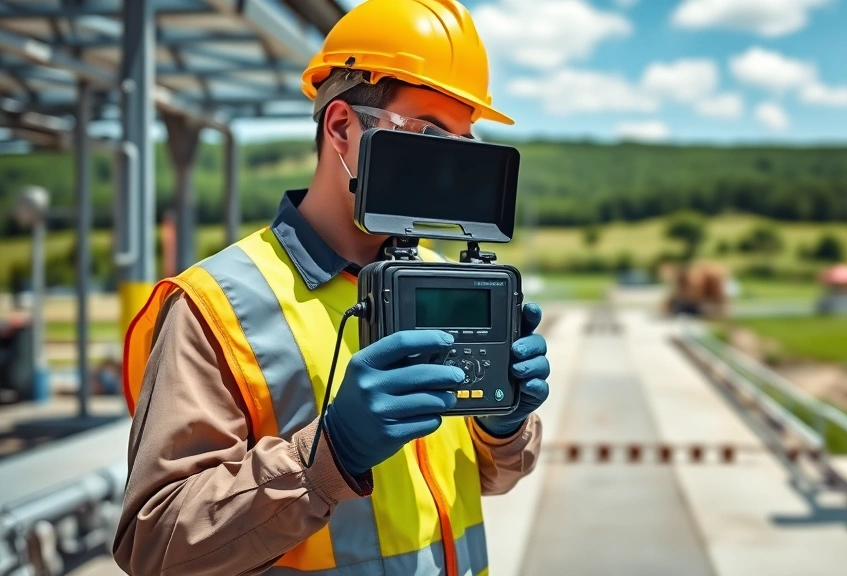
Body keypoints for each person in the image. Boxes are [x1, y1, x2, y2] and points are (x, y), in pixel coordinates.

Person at [112, 1, 549, 574]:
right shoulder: (216, 306)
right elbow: (156, 545)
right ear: (341, 126)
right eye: (425, 132)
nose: (445, 164)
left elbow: (493, 477)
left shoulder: (448, 281)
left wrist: (505, 426)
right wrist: (325, 458)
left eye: (461, 143)